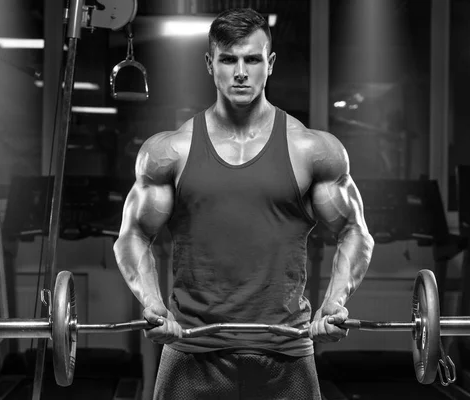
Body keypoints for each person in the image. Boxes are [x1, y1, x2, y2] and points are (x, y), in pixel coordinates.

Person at [113, 8, 374, 399]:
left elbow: (355, 232)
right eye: (228, 59)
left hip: (285, 351)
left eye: (251, 59)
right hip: (191, 348)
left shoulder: (312, 150)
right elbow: (131, 236)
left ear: (269, 64)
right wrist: (152, 304)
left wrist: (334, 303)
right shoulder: (170, 151)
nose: (240, 72)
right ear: (209, 64)